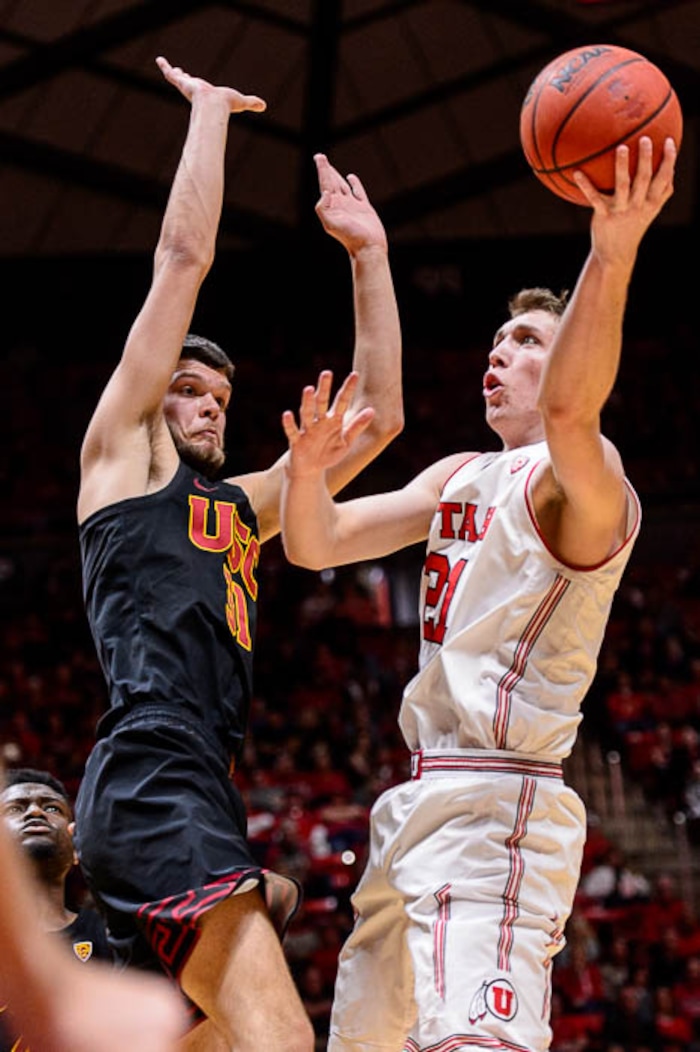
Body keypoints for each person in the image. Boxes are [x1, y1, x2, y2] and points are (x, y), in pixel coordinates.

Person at [280, 134, 677, 1050]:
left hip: (501, 805)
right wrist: (306, 473)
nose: (499, 355)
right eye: (497, 342)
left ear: (571, 355)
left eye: (528, 342)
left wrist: (608, 251)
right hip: (416, 806)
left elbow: (577, 408)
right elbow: (316, 544)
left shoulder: (585, 478)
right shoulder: (458, 475)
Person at [74, 55, 402, 1052]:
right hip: (150, 766)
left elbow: (376, 418)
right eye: (187, 389)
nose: (207, 407)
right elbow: (182, 260)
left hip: (199, 774)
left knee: (205, 1040)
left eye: (219, 399)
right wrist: (210, 117)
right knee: (277, 1037)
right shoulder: (122, 458)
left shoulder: (237, 507)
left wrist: (369, 256)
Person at [0, 762, 185, 1052]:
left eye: (52, 808)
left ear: (77, 849)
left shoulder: (115, 933)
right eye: (15, 808)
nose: (35, 812)